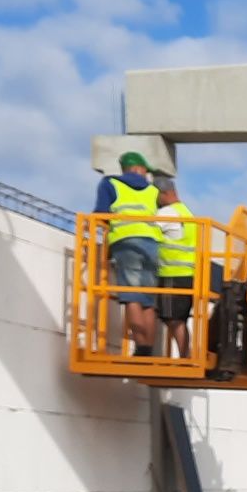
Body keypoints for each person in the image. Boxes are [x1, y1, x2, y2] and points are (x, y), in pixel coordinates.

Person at [94, 152, 161, 356]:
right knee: (148, 301)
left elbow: (101, 213)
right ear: (138, 168)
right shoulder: (152, 191)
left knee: (132, 296)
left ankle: (141, 347)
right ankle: (149, 347)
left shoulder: (110, 183)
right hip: (151, 243)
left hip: (126, 241)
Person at [153, 173, 197, 357]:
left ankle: (185, 356)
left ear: (163, 194)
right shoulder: (185, 212)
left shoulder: (166, 213)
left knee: (173, 319)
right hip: (187, 273)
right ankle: (186, 354)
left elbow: (148, 233)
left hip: (172, 273)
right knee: (179, 318)